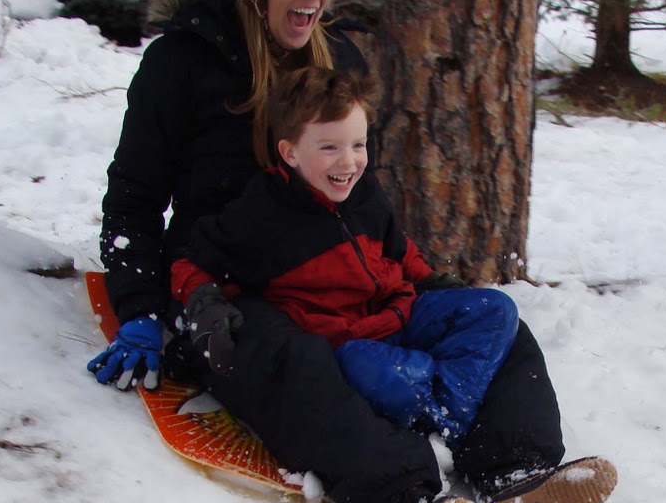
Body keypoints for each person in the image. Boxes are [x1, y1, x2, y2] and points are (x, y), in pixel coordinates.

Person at [87, 0, 614, 503]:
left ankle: (514, 474)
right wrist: (142, 307)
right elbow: (132, 197)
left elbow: (362, 193)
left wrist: (426, 282)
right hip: (228, 287)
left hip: (332, 265)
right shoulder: (185, 62)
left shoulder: (343, 62)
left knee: (495, 322)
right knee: (295, 362)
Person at [171, 66, 521, 452]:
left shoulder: (365, 191)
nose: (349, 162)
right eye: (329, 148)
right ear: (289, 152)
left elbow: (397, 249)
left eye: (358, 144)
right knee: (389, 372)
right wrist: (204, 299)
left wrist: (432, 280)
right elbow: (192, 258)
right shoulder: (261, 214)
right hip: (348, 345)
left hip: (400, 314)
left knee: (495, 309)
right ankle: (439, 414)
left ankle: (447, 420)